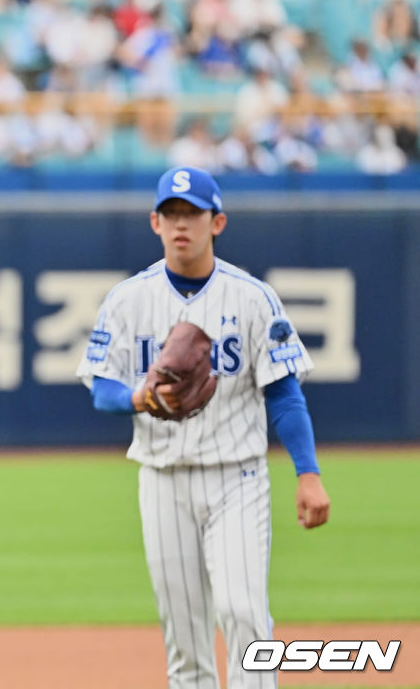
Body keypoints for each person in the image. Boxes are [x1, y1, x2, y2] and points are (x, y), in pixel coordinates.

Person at [76, 166, 331, 689]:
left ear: (217, 222)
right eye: (170, 213)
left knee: (243, 613)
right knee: (186, 640)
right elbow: (101, 388)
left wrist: (308, 473)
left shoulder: (252, 298)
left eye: (191, 213)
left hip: (236, 478)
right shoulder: (128, 299)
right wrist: (138, 398)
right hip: (162, 478)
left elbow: (283, 393)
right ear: (154, 222)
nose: (180, 223)